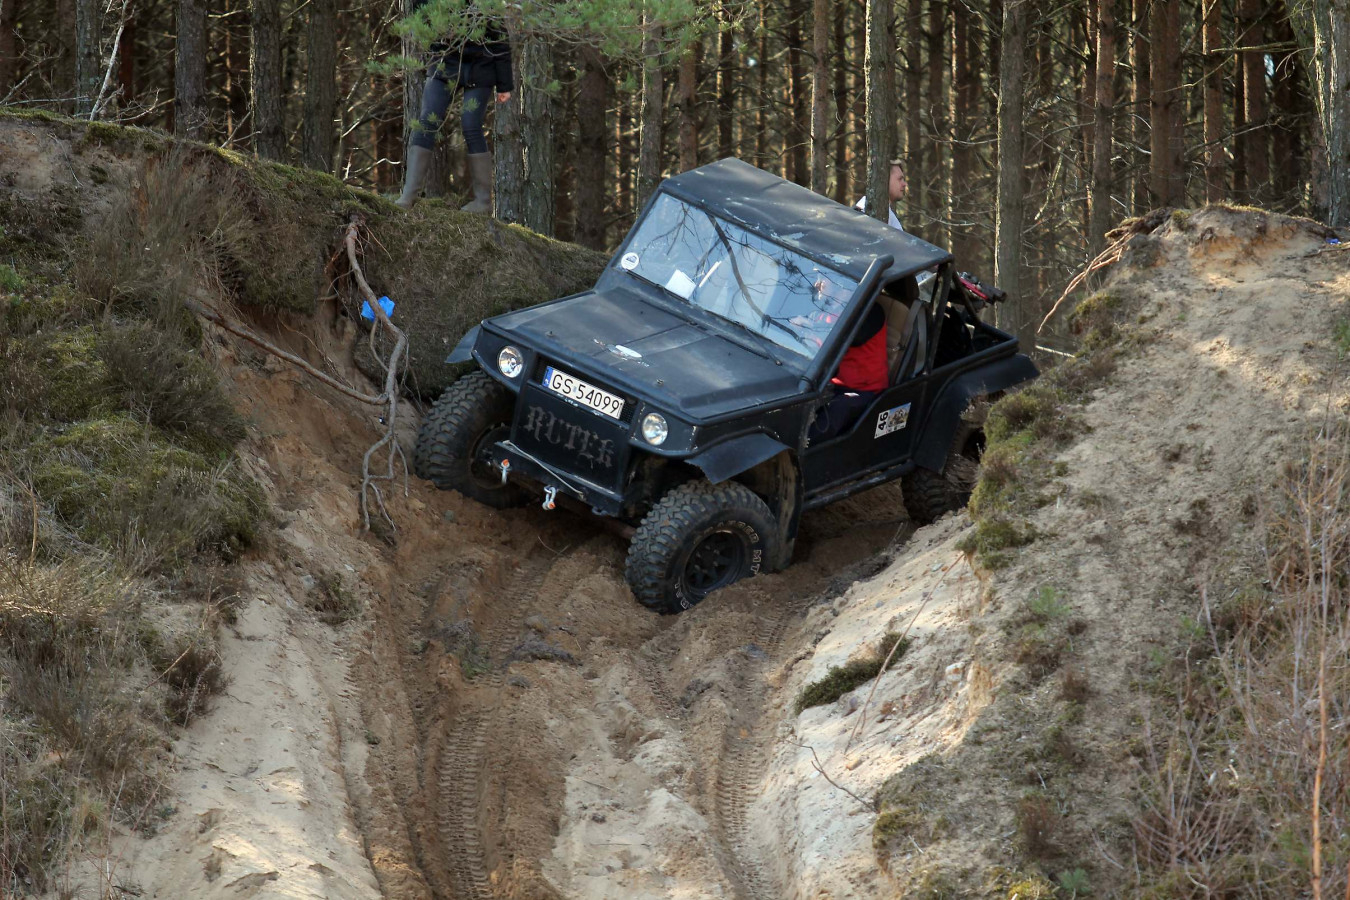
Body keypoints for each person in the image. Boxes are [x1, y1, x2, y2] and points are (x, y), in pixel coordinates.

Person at [397, 1, 514, 213]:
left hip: (481, 66)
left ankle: (483, 202)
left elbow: (500, 39)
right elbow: (420, 17)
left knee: (471, 125)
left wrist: (504, 85)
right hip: (444, 63)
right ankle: (408, 195)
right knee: (427, 121)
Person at [854, 159, 908, 232]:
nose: (904, 184)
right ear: (885, 179)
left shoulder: (888, 214)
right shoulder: (864, 208)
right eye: (900, 179)